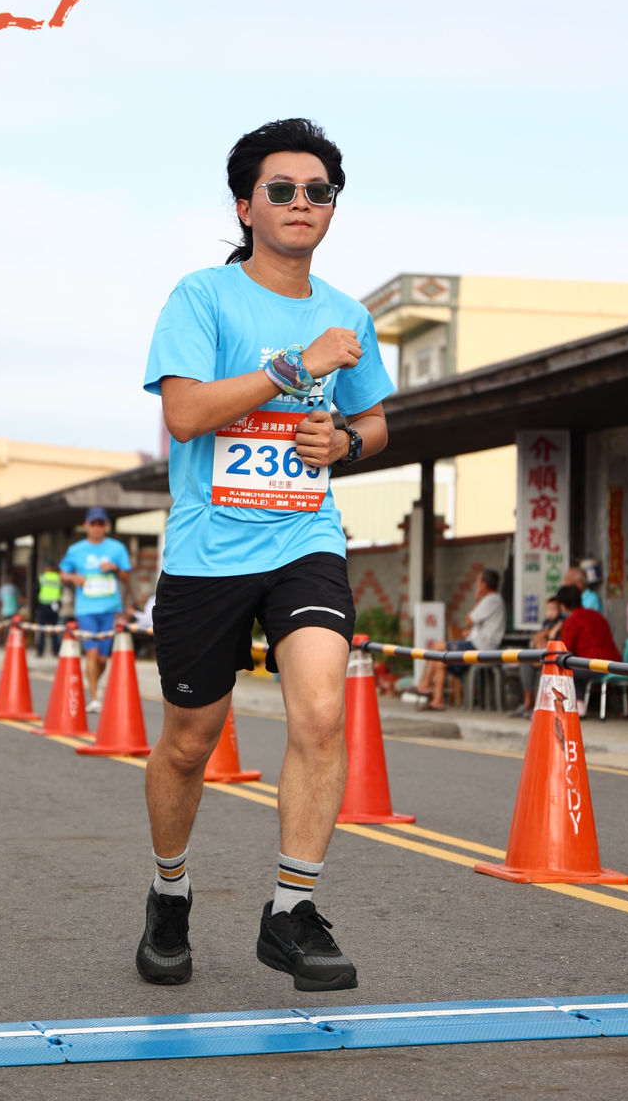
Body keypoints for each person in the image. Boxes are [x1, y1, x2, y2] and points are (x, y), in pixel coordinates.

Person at [138, 117, 392, 991]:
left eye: (317, 191)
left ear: (331, 208)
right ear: (245, 207)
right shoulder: (201, 298)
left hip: (303, 539)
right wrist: (293, 369)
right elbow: (184, 416)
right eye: (279, 190)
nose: (299, 202)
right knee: (188, 743)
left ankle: (291, 910)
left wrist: (343, 444)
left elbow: (374, 422)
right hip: (208, 550)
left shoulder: (348, 315)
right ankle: (169, 892)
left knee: (320, 712)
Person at [59, 507, 131, 712]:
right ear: (86, 525)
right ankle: (95, 697)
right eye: (93, 523)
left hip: (110, 609)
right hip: (86, 610)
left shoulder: (117, 549)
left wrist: (115, 568)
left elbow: (127, 577)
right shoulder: (76, 550)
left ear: (106, 526)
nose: (97, 527)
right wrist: (73, 578)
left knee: (102, 659)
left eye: (101, 523)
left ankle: (93, 684)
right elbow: (63, 574)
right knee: (91, 653)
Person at [415, 569, 506, 710]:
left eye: (478, 581)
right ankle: (437, 700)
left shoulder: (491, 599)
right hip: (478, 643)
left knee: (439, 646)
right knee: (440, 659)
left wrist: (478, 599)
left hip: (481, 647)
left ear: (484, 584)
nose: (476, 585)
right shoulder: (494, 600)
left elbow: (469, 619)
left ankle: (425, 684)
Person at [555, 584, 622, 715]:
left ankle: (577, 707)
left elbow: (565, 650)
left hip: (595, 665)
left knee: (566, 668)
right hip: (615, 663)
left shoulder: (571, 621)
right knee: (575, 667)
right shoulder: (597, 615)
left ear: (563, 606)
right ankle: (579, 706)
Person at [511, 595, 563, 718]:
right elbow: (537, 639)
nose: (550, 612)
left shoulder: (562, 622)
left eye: (554, 609)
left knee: (542, 671)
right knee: (525, 662)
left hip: (554, 659)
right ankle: (527, 702)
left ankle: (538, 706)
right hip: (541, 654)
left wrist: (548, 633)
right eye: (548, 609)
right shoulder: (546, 622)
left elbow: (552, 638)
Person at [34, 561, 63, 657]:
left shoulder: (42, 577)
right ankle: (55, 651)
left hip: (43, 604)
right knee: (54, 629)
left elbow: (36, 590)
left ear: (46, 568)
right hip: (54, 605)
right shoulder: (58, 578)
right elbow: (61, 590)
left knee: (42, 629)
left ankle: (40, 651)